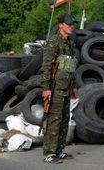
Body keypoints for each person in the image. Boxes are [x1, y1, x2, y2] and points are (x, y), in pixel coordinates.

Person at [40, 14, 78, 164]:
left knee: (64, 120)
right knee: (54, 120)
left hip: (66, 88)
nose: (71, 26)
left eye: (72, 24)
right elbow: (47, 66)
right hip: (55, 88)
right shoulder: (54, 42)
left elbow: (71, 67)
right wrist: (46, 87)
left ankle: (59, 150)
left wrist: (74, 86)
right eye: (68, 24)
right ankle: (49, 153)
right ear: (61, 25)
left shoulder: (70, 44)